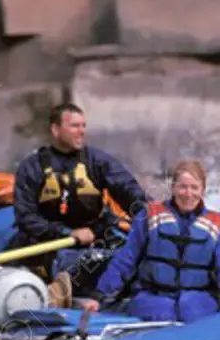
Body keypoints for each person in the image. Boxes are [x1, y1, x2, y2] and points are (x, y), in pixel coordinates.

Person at [9, 102, 148, 303]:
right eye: (74, 126)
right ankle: (68, 290)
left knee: (128, 255)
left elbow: (129, 191)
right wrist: (67, 233)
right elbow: (25, 217)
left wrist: (148, 216)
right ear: (56, 130)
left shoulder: (98, 161)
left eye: (83, 125)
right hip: (49, 244)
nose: (81, 131)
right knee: (89, 262)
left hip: (96, 236)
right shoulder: (33, 167)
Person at [81, 160, 220, 323]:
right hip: (152, 301)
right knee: (157, 312)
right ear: (173, 187)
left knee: (196, 313)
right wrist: (99, 295)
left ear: (203, 190)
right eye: (183, 187)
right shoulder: (149, 215)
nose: (188, 194)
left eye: (194, 188)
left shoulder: (216, 225)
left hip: (198, 305)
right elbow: (126, 259)